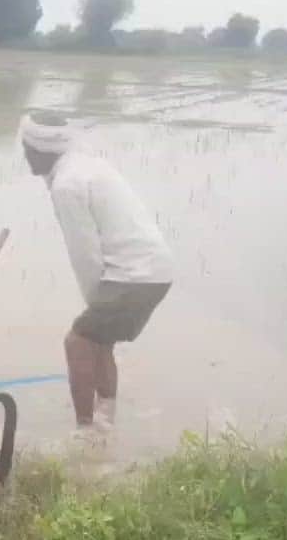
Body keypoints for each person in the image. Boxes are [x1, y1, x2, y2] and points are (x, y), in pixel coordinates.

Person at [19, 113, 174, 442]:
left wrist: (94, 304)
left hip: (134, 275)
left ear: (41, 150)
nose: (25, 156)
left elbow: (85, 254)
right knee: (99, 342)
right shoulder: (85, 164)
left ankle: (85, 434)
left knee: (78, 341)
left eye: (27, 149)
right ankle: (107, 420)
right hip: (154, 270)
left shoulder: (67, 185)